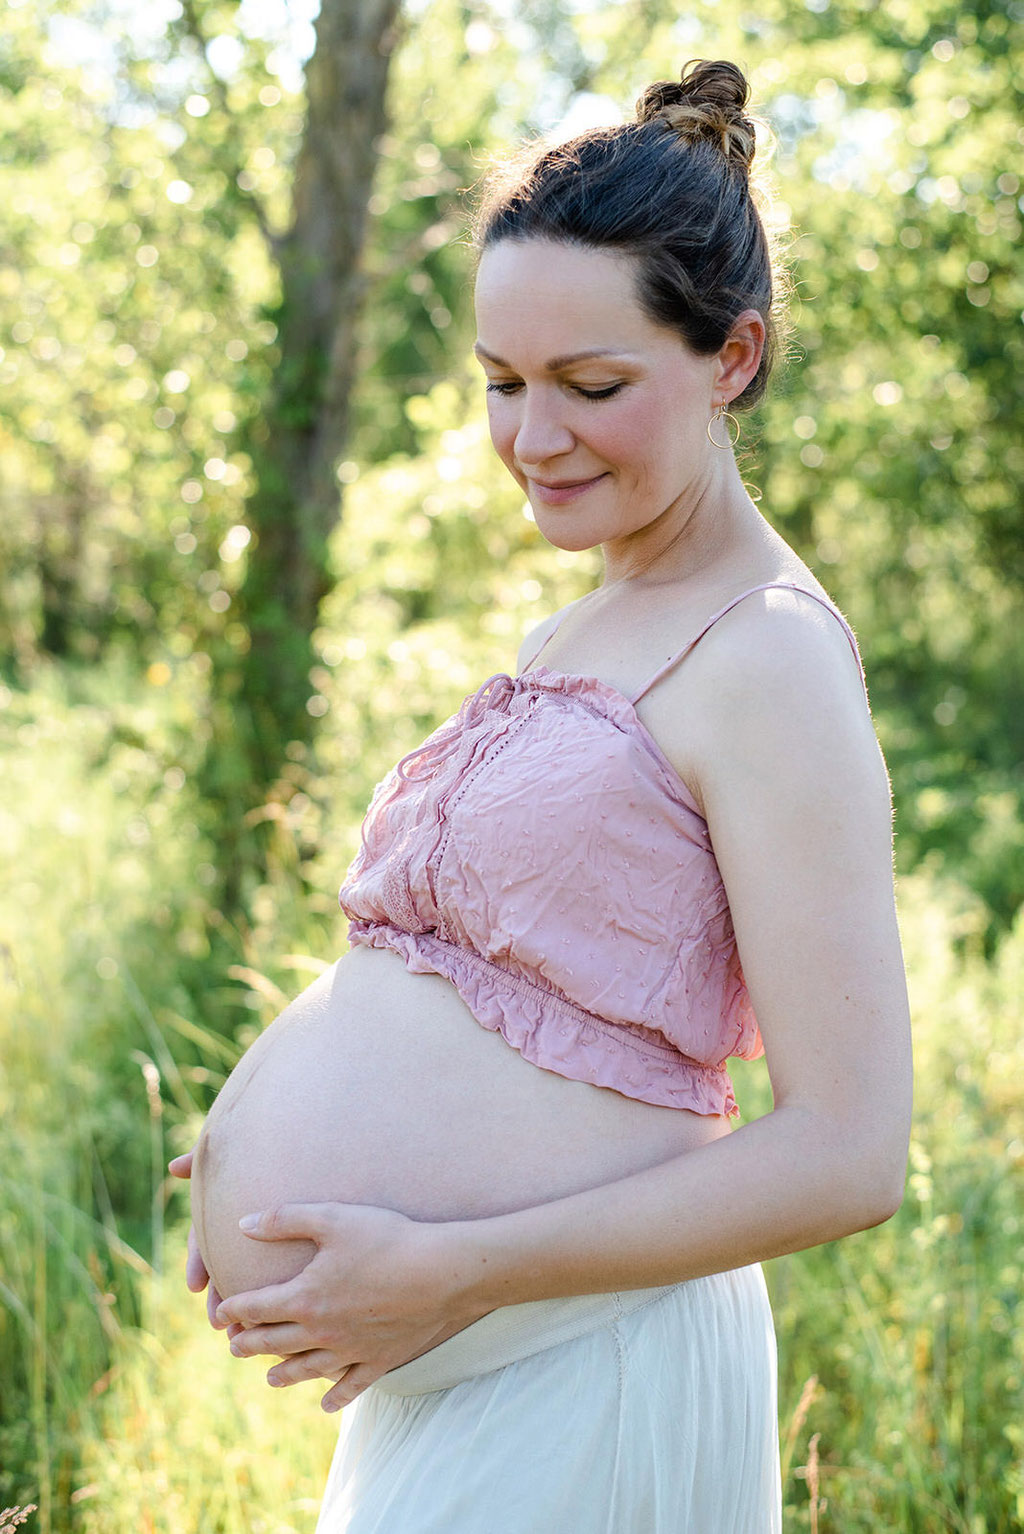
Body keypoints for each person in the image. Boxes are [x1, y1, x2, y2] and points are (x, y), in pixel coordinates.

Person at [170, 58, 912, 1533]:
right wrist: (282, 1136)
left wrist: (457, 1262)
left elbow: (850, 1148)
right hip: (471, 1364)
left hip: (585, 1359)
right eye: (503, 385)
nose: (533, 439)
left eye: (592, 386)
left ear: (735, 356)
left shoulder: (765, 655)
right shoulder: (585, 619)